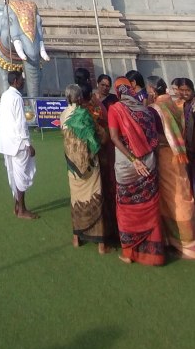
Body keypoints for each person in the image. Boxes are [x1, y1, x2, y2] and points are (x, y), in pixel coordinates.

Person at [108, 77, 165, 265]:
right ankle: (154, 255)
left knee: (126, 208)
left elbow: (115, 138)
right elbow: (154, 138)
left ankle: (129, 254)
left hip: (126, 164)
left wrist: (133, 159)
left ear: (118, 92)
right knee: (149, 205)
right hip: (149, 162)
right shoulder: (146, 111)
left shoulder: (115, 109)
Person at [146, 75, 195, 259]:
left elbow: (155, 136)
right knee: (183, 192)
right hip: (180, 155)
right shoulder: (174, 104)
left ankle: (184, 244)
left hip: (166, 156)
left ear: (152, 90)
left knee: (173, 198)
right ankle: (181, 241)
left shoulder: (155, 109)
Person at [61, 84, 108, 253]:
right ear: (80, 98)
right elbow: (101, 138)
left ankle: (76, 238)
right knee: (95, 196)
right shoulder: (85, 115)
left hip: (72, 166)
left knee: (76, 199)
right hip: (90, 165)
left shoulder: (63, 115)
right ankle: (101, 245)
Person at [79, 80, 118, 245]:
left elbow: (103, 136)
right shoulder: (90, 108)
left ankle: (103, 231)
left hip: (97, 156)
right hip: (96, 157)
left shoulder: (91, 111)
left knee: (99, 190)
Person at [0, 71, 38, 219]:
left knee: (13, 175)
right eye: (21, 80)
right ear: (15, 81)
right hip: (18, 143)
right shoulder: (16, 97)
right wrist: (28, 144)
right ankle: (22, 209)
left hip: (6, 143)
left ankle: (17, 206)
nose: (23, 82)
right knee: (21, 176)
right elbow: (21, 123)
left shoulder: (5, 95)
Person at [177, 77, 195, 195]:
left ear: (193, 90)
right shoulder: (184, 105)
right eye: (182, 90)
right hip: (189, 147)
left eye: (187, 90)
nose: (185, 93)